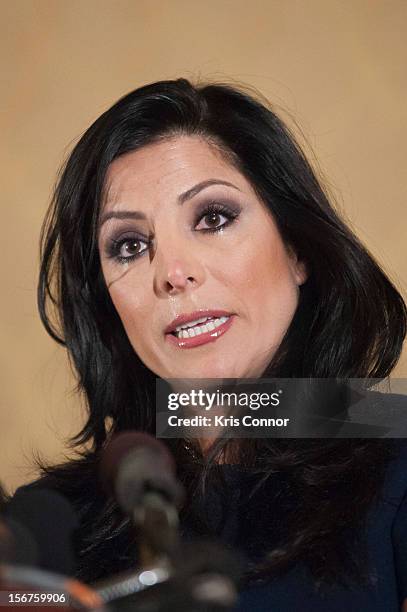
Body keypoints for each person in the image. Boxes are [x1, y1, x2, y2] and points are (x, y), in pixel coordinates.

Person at [11, 78, 407, 610]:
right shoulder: (46, 529)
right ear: (107, 304)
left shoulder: (393, 446)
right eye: (129, 246)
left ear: (297, 249)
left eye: (213, 218)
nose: (173, 273)